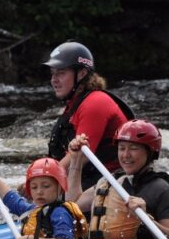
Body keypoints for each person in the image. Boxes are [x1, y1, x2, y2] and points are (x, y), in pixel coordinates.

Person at [43, 41, 135, 191]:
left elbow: (82, 155)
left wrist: (45, 177)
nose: (54, 79)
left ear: (82, 73)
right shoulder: (74, 104)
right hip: (87, 178)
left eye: (61, 73)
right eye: (53, 73)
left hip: (112, 182)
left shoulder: (95, 102)